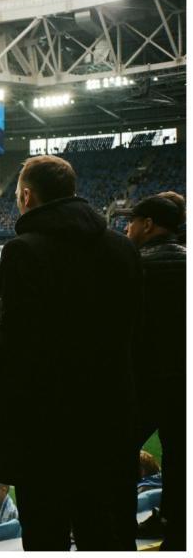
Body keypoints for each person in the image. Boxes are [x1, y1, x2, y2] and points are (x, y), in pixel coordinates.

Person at [0, 155, 142, 550]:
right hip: (111, 422)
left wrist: (3, 436)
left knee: (47, 536)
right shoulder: (122, 249)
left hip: (47, 432)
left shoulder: (23, 252)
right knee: (107, 534)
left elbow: (15, 354)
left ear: (26, 196)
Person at [122, 192, 186, 551]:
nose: (127, 229)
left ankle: (116, 534)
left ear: (148, 225)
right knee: (180, 459)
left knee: (113, 456)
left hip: (142, 382)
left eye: (131, 222)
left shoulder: (134, 266)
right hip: (183, 383)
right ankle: (177, 535)